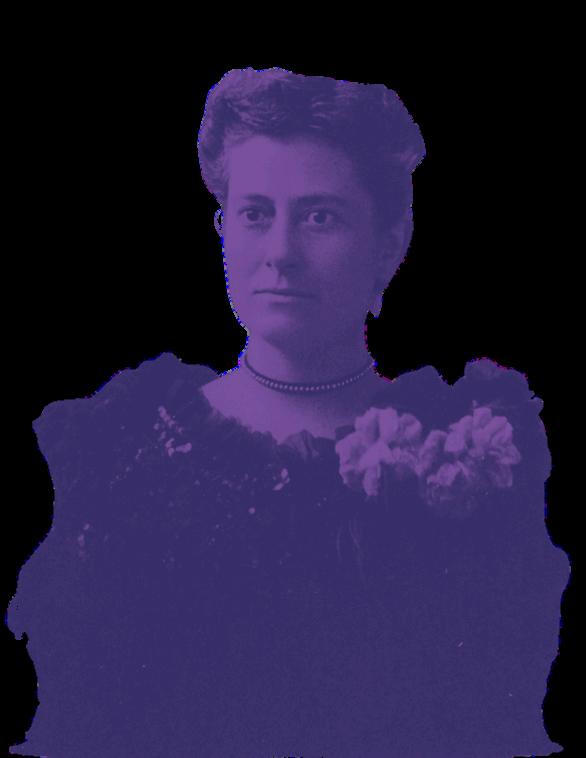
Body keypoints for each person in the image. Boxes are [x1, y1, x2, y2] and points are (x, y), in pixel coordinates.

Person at [8, 67, 569, 757]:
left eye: (319, 216)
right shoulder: (122, 447)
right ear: (222, 230)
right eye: (255, 214)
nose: (280, 253)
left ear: (389, 244)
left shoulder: (470, 449)